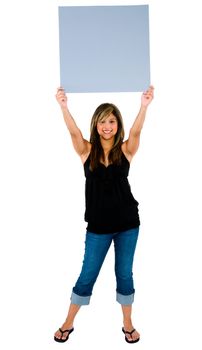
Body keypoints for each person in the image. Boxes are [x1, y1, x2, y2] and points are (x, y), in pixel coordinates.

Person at [54, 86, 154, 344]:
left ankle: (128, 324)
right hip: (98, 227)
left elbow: (137, 131)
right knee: (87, 274)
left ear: (117, 124)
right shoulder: (86, 151)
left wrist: (144, 105)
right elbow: (73, 131)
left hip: (128, 225)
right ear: (96, 125)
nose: (107, 126)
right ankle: (68, 322)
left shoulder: (127, 150)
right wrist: (64, 106)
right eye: (102, 121)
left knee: (124, 273)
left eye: (111, 121)